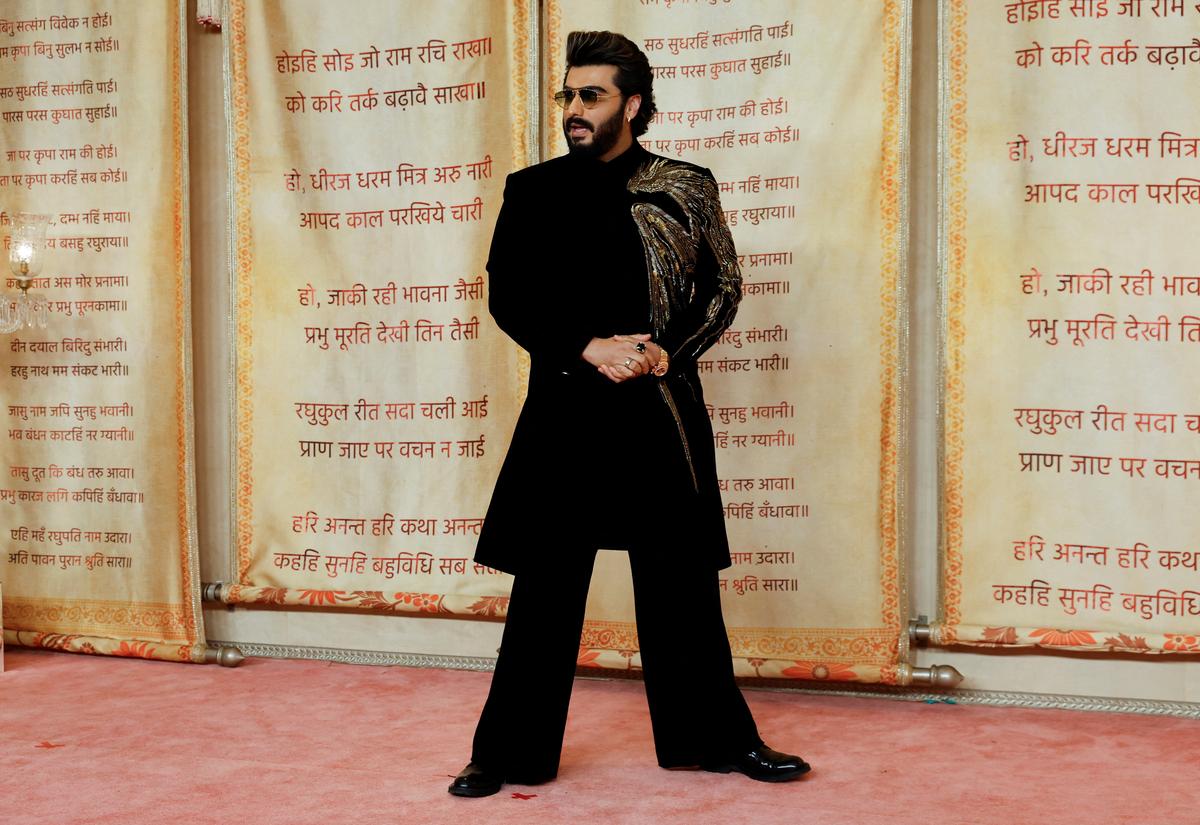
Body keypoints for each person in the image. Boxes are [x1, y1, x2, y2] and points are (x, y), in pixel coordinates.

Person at [448, 30, 809, 798]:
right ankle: (505, 753)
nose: (573, 109)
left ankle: (718, 741)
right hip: (567, 412)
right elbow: (510, 297)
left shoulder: (685, 185)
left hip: (659, 412)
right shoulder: (533, 189)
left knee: (680, 587)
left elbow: (724, 287)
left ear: (633, 105)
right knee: (544, 590)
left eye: (591, 95)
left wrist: (664, 353)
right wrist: (587, 345)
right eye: (567, 95)